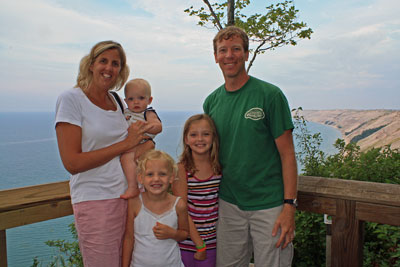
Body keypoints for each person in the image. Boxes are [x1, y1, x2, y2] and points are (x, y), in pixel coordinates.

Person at [203, 26, 298, 267]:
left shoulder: (270, 95)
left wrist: (289, 207)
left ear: (246, 54)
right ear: (215, 57)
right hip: (228, 203)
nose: (229, 55)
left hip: (269, 205)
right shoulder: (211, 102)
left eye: (236, 49)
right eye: (222, 50)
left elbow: (287, 155)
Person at [55, 40, 154, 267]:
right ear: (91, 65)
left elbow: (137, 142)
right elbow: (72, 162)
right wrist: (127, 144)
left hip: (131, 197)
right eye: (103, 61)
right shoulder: (71, 99)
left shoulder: (118, 101)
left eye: (115, 64)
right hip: (97, 201)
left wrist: (145, 145)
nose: (109, 68)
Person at [122, 150, 189, 267]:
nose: (156, 179)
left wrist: (172, 234)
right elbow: (128, 238)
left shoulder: (179, 204)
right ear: (140, 178)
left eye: (162, 174)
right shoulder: (135, 203)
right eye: (150, 174)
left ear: (171, 177)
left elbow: (184, 234)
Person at [173, 114, 222, 267]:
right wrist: (199, 244)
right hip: (187, 242)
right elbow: (182, 210)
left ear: (213, 138)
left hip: (213, 242)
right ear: (186, 139)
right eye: (193, 135)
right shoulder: (181, 169)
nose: (200, 139)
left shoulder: (218, 167)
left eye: (205, 134)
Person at [120, 78, 162, 199]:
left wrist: (146, 128)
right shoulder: (125, 113)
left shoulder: (147, 113)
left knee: (126, 158)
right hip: (131, 145)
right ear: (125, 101)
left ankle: (133, 187)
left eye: (141, 98)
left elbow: (158, 127)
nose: (136, 102)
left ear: (149, 100)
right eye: (131, 99)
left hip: (142, 144)